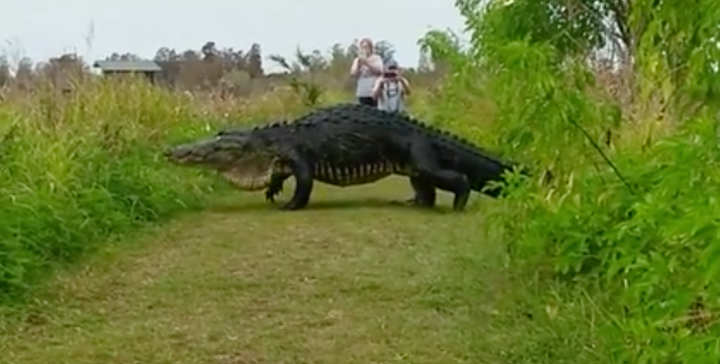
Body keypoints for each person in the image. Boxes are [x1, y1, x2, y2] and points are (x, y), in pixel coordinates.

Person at [349, 38, 384, 107]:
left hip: (374, 92)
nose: (364, 49)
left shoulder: (377, 58)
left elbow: (379, 71)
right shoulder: (357, 60)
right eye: (362, 47)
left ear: (371, 48)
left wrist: (366, 63)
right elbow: (353, 74)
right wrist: (359, 65)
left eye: (366, 47)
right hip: (362, 92)